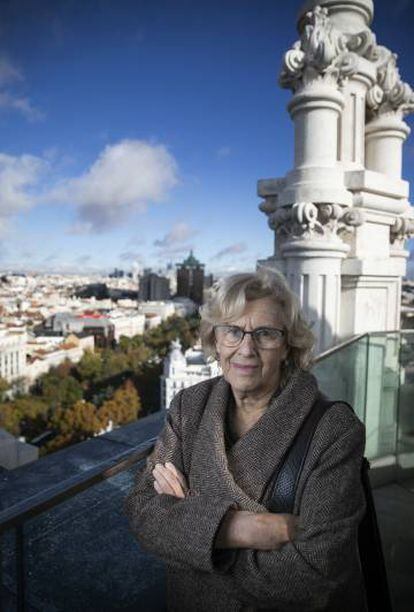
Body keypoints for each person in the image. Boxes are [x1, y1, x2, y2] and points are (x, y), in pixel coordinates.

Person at [125, 270, 367, 612]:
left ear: (287, 346)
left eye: (265, 334)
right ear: (215, 339)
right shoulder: (189, 406)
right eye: (232, 331)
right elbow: (141, 511)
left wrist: (192, 530)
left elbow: (315, 573)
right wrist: (240, 529)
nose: (246, 348)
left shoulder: (334, 431)